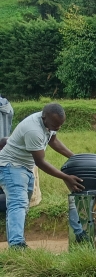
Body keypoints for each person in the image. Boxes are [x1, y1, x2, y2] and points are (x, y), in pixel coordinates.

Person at [0, 103, 84, 249]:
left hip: (26, 166)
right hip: (11, 166)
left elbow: (54, 141)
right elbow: (41, 162)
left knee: (22, 205)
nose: (57, 128)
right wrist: (66, 177)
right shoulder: (33, 130)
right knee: (17, 203)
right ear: (44, 117)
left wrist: (74, 157)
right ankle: (17, 245)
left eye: (60, 125)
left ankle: (16, 239)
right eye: (55, 125)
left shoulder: (49, 122)